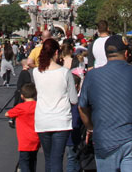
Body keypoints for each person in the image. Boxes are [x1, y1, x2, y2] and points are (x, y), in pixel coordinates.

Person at [78, 34, 132, 171]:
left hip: (106, 139)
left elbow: (82, 107)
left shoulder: (92, 76)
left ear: (106, 55)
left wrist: (90, 127)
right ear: (126, 53)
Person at [33, 38, 78, 172]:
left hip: (43, 120)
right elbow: (74, 99)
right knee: (57, 158)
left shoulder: (36, 72)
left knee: (48, 159)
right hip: (61, 121)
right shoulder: (65, 72)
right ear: (57, 53)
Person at [7, 82, 41, 172]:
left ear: (22, 96)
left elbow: (7, 114)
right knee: (33, 160)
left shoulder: (20, 107)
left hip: (24, 141)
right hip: (36, 138)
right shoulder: (38, 105)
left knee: (24, 161)